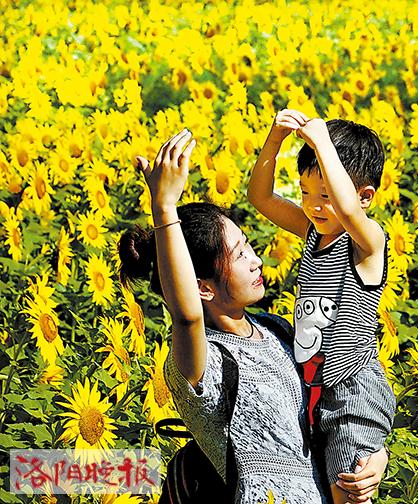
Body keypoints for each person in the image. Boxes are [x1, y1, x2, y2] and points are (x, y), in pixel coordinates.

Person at [118, 129, 387, 504]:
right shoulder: (203, 362)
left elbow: (334, 412)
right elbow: (187, 318)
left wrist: (373, 456)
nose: (257, 260)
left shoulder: (277, 331)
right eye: (240, 255)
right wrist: (164, 210)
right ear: (203, 288)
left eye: (249, 246)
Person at [248, 111, 396, 504]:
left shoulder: (368, 242)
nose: (313, 206)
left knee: (350, 491)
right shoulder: (316, 231)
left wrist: (323, 144)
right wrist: (275, 140)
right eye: (306, 192)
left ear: (364, 196)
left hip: (353, 389)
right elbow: (260, 197)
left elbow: (348, 212)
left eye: (325, 195)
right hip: (311, 383)